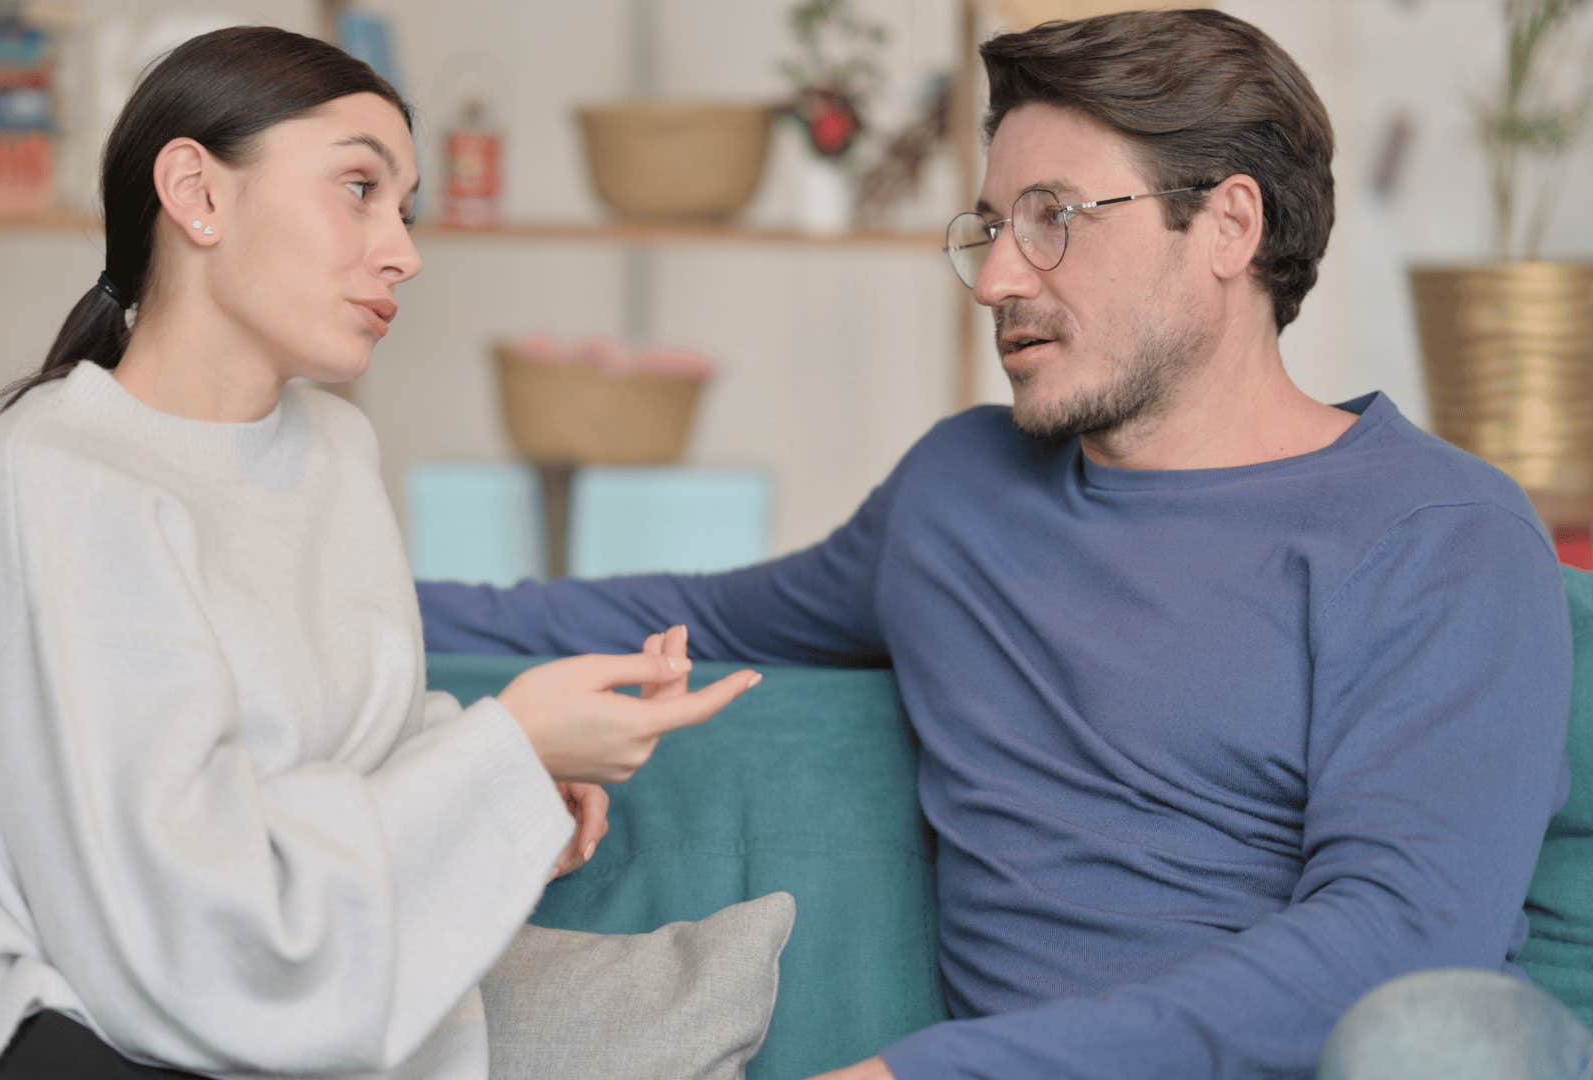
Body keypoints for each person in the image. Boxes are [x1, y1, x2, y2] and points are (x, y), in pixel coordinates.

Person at [417, 10, 1586, 1078]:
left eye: (1054, 220)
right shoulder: (959, 497)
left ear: (1229, 224)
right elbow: (669, 619)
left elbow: (1397, 944)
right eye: (990, 226)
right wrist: (298, 597)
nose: (999, 279)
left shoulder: (1443, 537)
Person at [0, 26, 760, 1080]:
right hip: (86, 1040)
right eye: (360, 189)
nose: (404, 251)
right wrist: (503, 755)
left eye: (406, 209)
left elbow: (350, 754)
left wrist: (520, 785)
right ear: (197, 193)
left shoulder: (332, 450)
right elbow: (178, 914)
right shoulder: (50, 482)